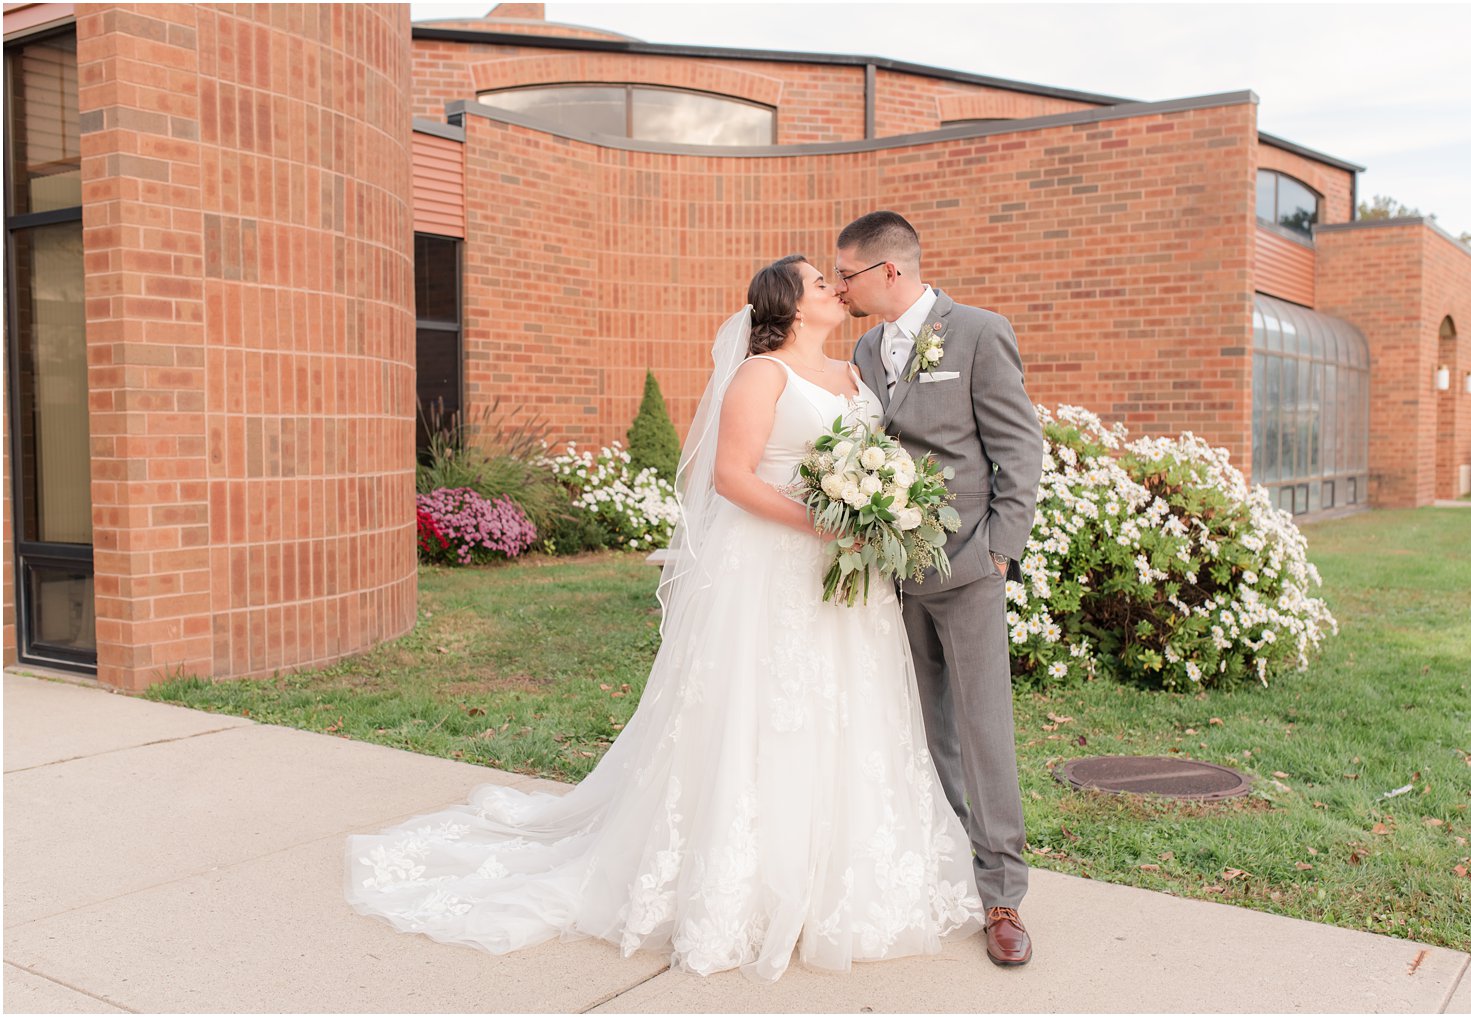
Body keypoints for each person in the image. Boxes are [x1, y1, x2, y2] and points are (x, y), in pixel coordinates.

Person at [346, 255, 983, 982]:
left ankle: (838, 880)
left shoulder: (856, 375)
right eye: (817, 283)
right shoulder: (761, 375)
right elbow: (731, 476)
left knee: (847, 712)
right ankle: (751, 882)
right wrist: (826, 525)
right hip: (776, 567)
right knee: (764, 714)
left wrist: (875, 510)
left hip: (848, 581)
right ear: (792, 305)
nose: (834, 289)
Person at [837, 211, 1043, 967]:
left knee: (984, 732)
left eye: (847, 273)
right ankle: (951, 868)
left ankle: (1002, 897)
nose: (839, 286)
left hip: (967, 570)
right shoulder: (863, 345)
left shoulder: (981, 333)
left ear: (890, 271)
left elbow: (1019, 446)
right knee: (924, 733)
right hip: (887, 580)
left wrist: (1000, 552)